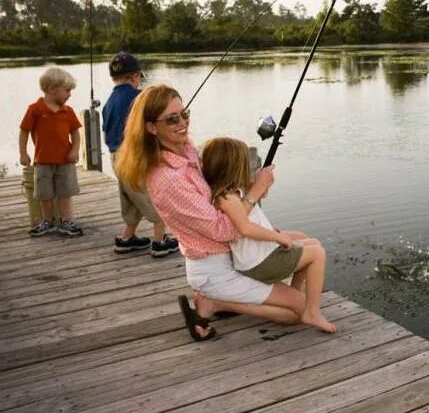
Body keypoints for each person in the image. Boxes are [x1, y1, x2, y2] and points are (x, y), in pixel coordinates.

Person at [114, 84, 327, 342]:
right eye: (172, 119)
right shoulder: (167, 179)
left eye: (185, 114)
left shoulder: (187, 151)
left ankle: (239, 295)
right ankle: (216, 303)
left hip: (232, 252)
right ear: (150, 127)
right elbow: (222, 228)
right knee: (296, 311)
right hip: (213, 269)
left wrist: (249, 188)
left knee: (301, 239)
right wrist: (255, 192)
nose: (183, 123)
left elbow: (217, 193)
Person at [201, 137, 336, 333]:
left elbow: (252, 202)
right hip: (258, 261)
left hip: (256, 255)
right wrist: (278, 237)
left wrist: (260, 183)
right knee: (317, 253)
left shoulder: (229, 192)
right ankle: (312, 312)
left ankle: (296, 293)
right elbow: (244, 228)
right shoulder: (226, 197)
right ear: (233, 167)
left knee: (310, 242)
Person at [102, 52, 178, 257]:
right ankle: (159, 241)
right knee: (156, 196)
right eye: (138, 78)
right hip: (136, 157)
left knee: (130, 197)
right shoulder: (139, 98)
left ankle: (127, 238)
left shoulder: (109, 102)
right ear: (135, 76)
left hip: (116, 157)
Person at [18, 67, 83, 237]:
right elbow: (24, 131)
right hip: (42, 160)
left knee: (65, 192)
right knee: (45, 193)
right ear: (52, 89)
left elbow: (75, 134)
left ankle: (66, 220)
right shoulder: (35, 109)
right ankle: (47, 221)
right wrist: (23, 153)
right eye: (67, 90)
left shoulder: (68, 111)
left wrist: (75, 150)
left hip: (65, 161)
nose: (70, 95)